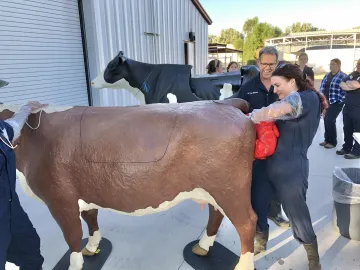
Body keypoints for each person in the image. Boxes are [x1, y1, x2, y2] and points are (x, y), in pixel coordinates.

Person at [249, 64, 327, 270]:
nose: (274, 90)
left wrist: (254, 115)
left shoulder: (307, 98)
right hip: (266, 165)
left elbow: (278, 110)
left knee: (297, 215)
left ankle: (313, 260)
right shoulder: (287, 99)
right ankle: (261, 241)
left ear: (292, 81)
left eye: (277, 85)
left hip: (291, 169)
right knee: (258, 203)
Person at [229, 46, 290, 228]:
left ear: (277, 63)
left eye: (272, 64)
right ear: (258, 63)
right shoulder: (248, 88)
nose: (268, 68)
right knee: (256, 184)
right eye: (264, 63)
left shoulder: (284, 86)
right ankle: (257, 218)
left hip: (281, 142)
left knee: (278, 181)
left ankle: (276, 212)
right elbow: (239, 114)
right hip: (256, 147)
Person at [0, 80, 47, 269]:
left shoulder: (2, 129)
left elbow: (14, 125)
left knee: (30, 250)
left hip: (11, 211)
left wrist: (26, 108)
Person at [319, 58, 347, 149]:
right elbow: (322, 86)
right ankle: (327, 139)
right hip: (326, 101)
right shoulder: (327, 75)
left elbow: (346, 90)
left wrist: (340, 99)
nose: (331, 66)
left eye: (333, 64)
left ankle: (333, 142)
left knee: (330, 120)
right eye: (330, 64)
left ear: (338, 65)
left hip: (336, 103)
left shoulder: (343, 76)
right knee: (326, 120)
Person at [337, 59, 360, 159]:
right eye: (358, 64)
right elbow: (341, 84)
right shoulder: (353, 73)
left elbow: (356, 85)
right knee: (347, 129)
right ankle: (346, 147)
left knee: (358, 131)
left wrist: (350, 84)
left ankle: (357, 151)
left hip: (358, 107)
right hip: (347, 106)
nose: (358, 65)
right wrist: (351, 85)